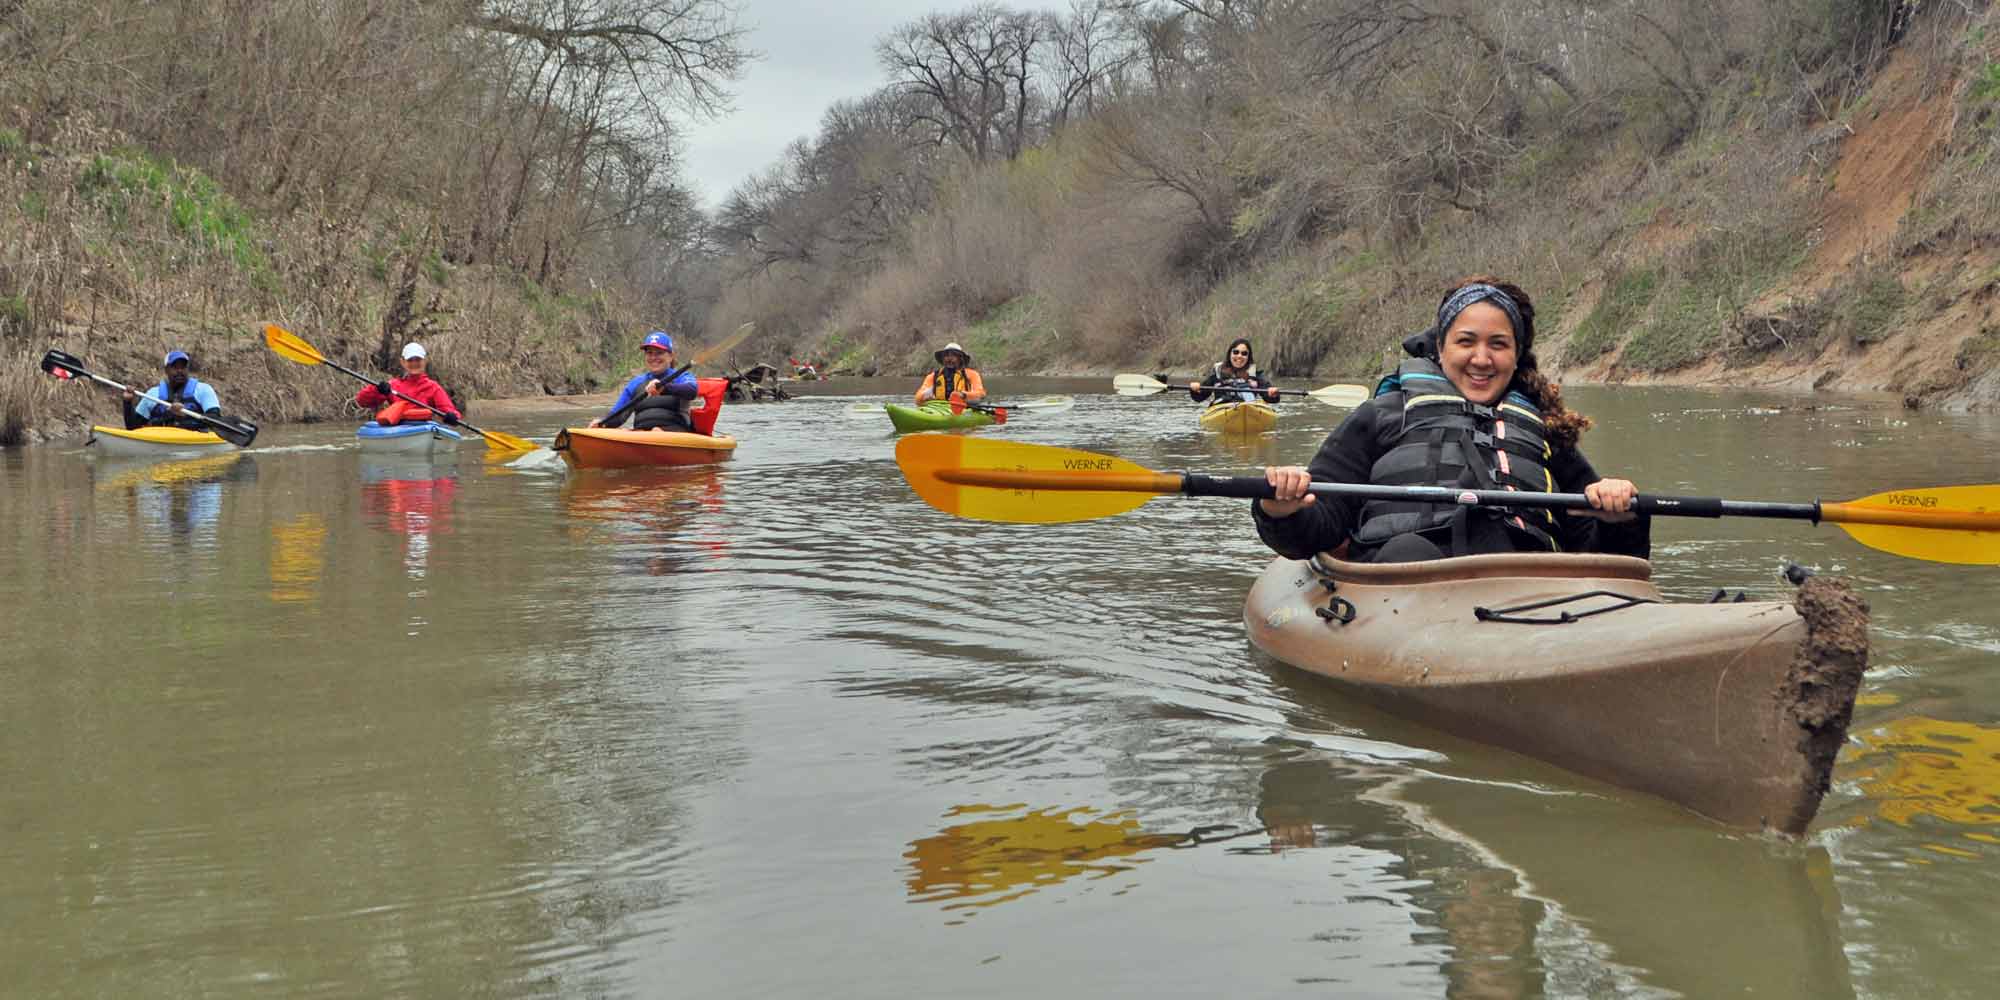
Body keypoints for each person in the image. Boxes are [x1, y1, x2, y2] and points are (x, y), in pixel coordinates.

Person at [1254, 276, 1647, 563]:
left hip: (1527, 587)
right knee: (1407, 550)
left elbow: (1602, 558)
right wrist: (1282, 509)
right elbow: (1318, 529)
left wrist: (1621, 516)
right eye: (1466, 341)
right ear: (1441, 348)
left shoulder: (1544, 433)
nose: (1481, 358)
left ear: (1516, 355)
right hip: (1400, 585)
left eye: (1498, 344)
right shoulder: (1381, 416)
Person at [591, 330, 698, 431]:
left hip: (675, 432)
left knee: (657, 432)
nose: (653, 357)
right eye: (649, 353)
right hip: (642, 434)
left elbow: (692, 391)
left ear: (670, 356)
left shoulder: (682, 376)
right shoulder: (636, 382)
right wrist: (603, 423)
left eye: (659, 353)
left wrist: (664, 387)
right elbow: (618, 415)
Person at [355, 342, 460, 426]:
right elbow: (361, 401)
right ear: (403, 362)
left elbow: (449, 410)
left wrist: (452, 417)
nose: (414, 363)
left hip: (422, 429)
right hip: (397, 430)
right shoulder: (392, 385)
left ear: (425, 361)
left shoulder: (433, 387)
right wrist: (376, 389)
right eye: (410, 360)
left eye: (418, 359)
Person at [122, 350, 224, 431]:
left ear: (187, 369)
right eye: (175, 367)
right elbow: (132, 427)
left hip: (195, 440)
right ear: (166, 370)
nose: (179, 371)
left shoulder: (203, 390)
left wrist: (184, 415)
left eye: (183, 367)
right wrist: (127, 402)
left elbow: (215, 421)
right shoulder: (153, 394)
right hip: (161, 441)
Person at [1189, 339, 1281, 405]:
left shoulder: (1255, 375)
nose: (1239, 356)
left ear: (1249, 357)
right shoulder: (1217, 373)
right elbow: (1200, 397)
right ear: (1230, 354)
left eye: (1244, 353)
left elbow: (1270, 398)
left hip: (1249, 407)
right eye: (1236, 352)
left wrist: (1273, 394)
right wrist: (1194, 390)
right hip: (1222, 408)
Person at [914, 342, 985, 406]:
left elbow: (980, 394)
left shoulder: (972, 375)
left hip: (963, 407)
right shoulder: (933, 376)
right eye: (946, 356)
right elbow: (917, 398)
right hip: (938, 408)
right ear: (943, 358)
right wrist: (923, 396)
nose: (949, 359)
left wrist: (963, 395)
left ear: (960, 359)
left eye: (953, 356)